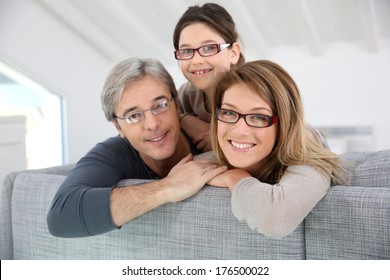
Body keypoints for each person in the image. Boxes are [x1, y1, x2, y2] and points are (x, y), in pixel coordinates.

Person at [47, 57, 227, 238]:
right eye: (133, 116)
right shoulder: (114, 152)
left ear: (177, 105)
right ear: (118, 127)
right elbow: (61, 217)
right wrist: (168, 187)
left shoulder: (210, 134)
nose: (152, 124)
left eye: (161, 105)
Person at [209, 60, 349, 238]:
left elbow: (275, 219)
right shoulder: (207, 158)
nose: (239, 131)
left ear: (283, 125)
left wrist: (236, 178)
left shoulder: (310, 161)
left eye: (258, 117)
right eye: (229, 112)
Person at [173, 3, 244, 152]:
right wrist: (185, 119)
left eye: (209, 48)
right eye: (186, 51)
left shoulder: (255, 91)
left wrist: (221, 138)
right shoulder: (188, 94)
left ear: (233, 53)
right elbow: (165, 114)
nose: (196, 61)